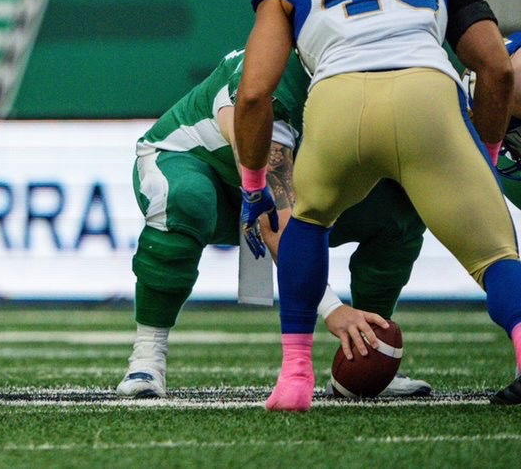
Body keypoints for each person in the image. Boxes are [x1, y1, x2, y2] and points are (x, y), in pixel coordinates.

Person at [234, 0, 521, 410]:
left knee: (308, 222)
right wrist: (481, 156)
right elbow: (496, 67)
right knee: (496, 255)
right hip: (428, 98)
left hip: (339, 102)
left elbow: (253, 94)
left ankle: (294, 378)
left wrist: (253, 188)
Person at [117, 47, 430, 399]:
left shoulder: (387, 71)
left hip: (295, 185)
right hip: (202, 167)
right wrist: (333, 309)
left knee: (401, 207)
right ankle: (147, 356)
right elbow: (277, 222)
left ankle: (369, 348)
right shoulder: (273, 84)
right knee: (186, 199)